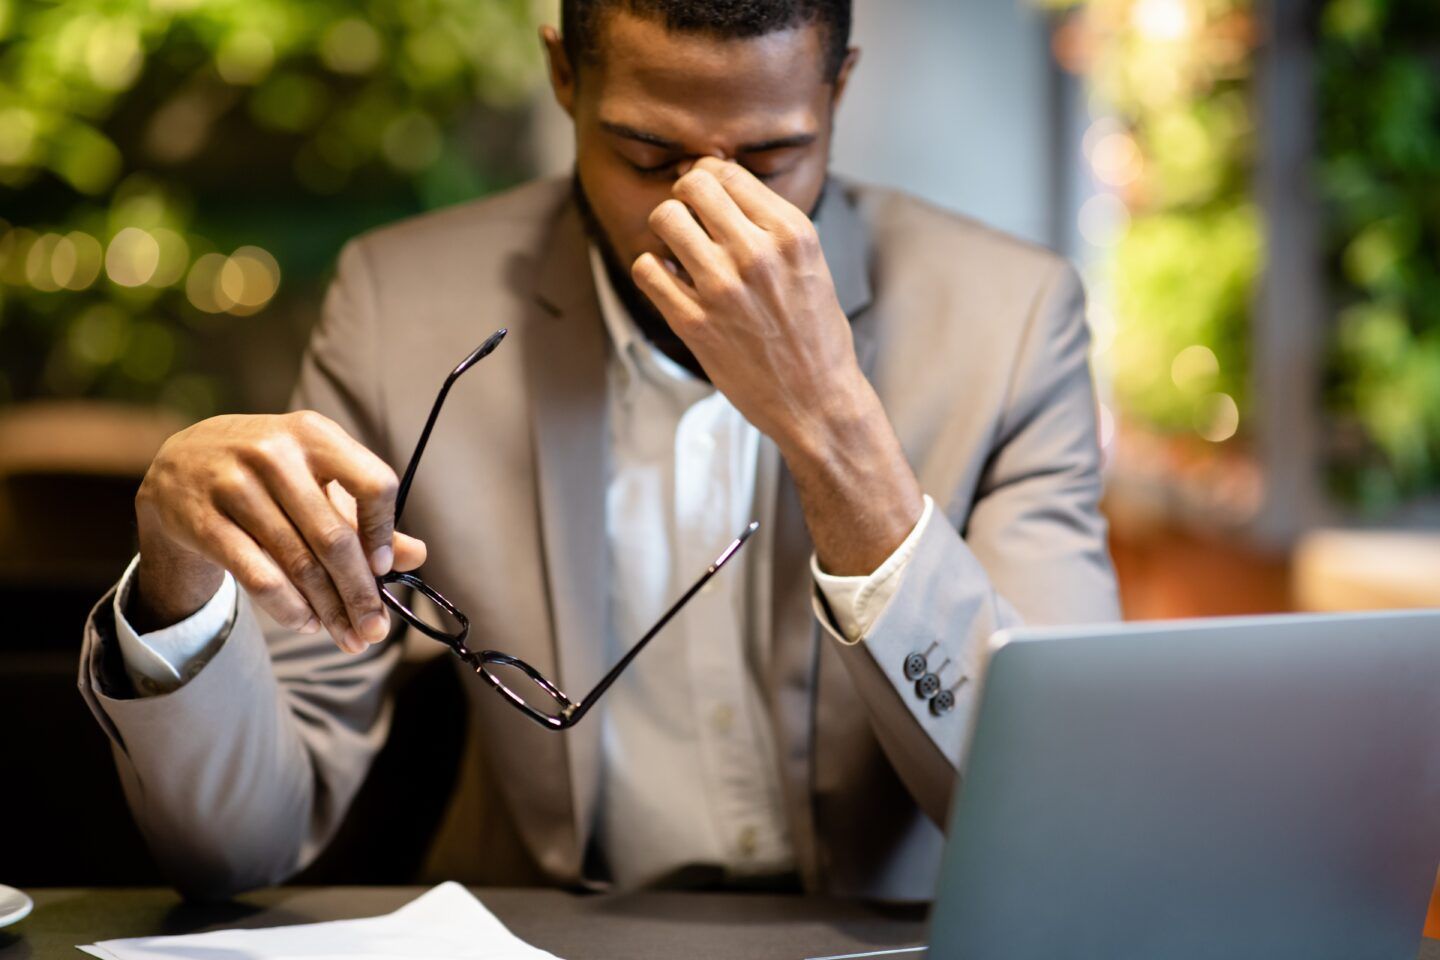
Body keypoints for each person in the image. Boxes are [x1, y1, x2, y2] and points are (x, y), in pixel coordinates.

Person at [78, 0, 1118, 901]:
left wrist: (832, 422)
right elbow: (239, 844)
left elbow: (1063, 817)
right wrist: (179, 576)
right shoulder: (401, 309)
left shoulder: (1012, 319)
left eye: (771, 156)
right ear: (564, 76)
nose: (704, 213)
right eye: (648, 157)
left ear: (839, 88)